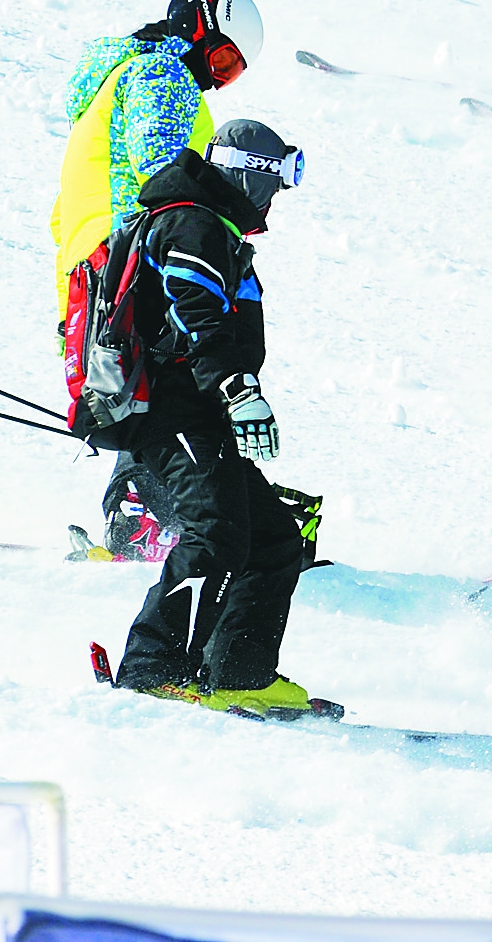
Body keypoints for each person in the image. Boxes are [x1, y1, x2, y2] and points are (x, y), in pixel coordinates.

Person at [104, 120, 325, 717]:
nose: (277, 196)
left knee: (274, 538)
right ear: (249, 175)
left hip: (196, 407)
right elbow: (196, 310)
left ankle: (238, 674)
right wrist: (237, 389)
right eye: (275, 179)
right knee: (217, 533)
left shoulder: (215, 228)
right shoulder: (192, 223)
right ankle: (152, 670)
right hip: (173, 406)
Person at [49, 0, 263, 325]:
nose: (216, 79)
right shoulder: (162, 74)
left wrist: (67, 320)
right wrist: (233, 212)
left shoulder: (106, 92)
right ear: (197, 26)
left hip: (90, 284)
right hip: (135, 266)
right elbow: (162, 173)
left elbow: (63, 219)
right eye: (221, 60)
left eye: (230, 73)